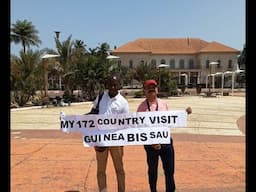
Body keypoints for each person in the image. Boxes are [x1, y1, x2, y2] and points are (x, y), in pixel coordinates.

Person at [136, 79, 192, 192]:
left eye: (153, 89)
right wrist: (152, 142)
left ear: (157, 90)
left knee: (169, 170)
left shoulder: (163, 104)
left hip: (166, 142)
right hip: (150, 144)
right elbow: (139, 128)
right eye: (149, 89)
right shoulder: (141, 108)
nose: (152, 91)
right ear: (145, 91)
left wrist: (184, 114)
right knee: (152, 171)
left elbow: (171, 119)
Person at [89, 74, 129, 192]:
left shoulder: (123, 102)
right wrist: (74, 121)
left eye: (115, 85)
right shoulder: (101, 97)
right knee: (101, 170)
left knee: (120, 169)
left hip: (116, 141)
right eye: (110, 84)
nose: (112, 87)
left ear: (119, 86)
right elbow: (93, 113)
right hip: (100, 140)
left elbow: (126, 123)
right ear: (107, 85)